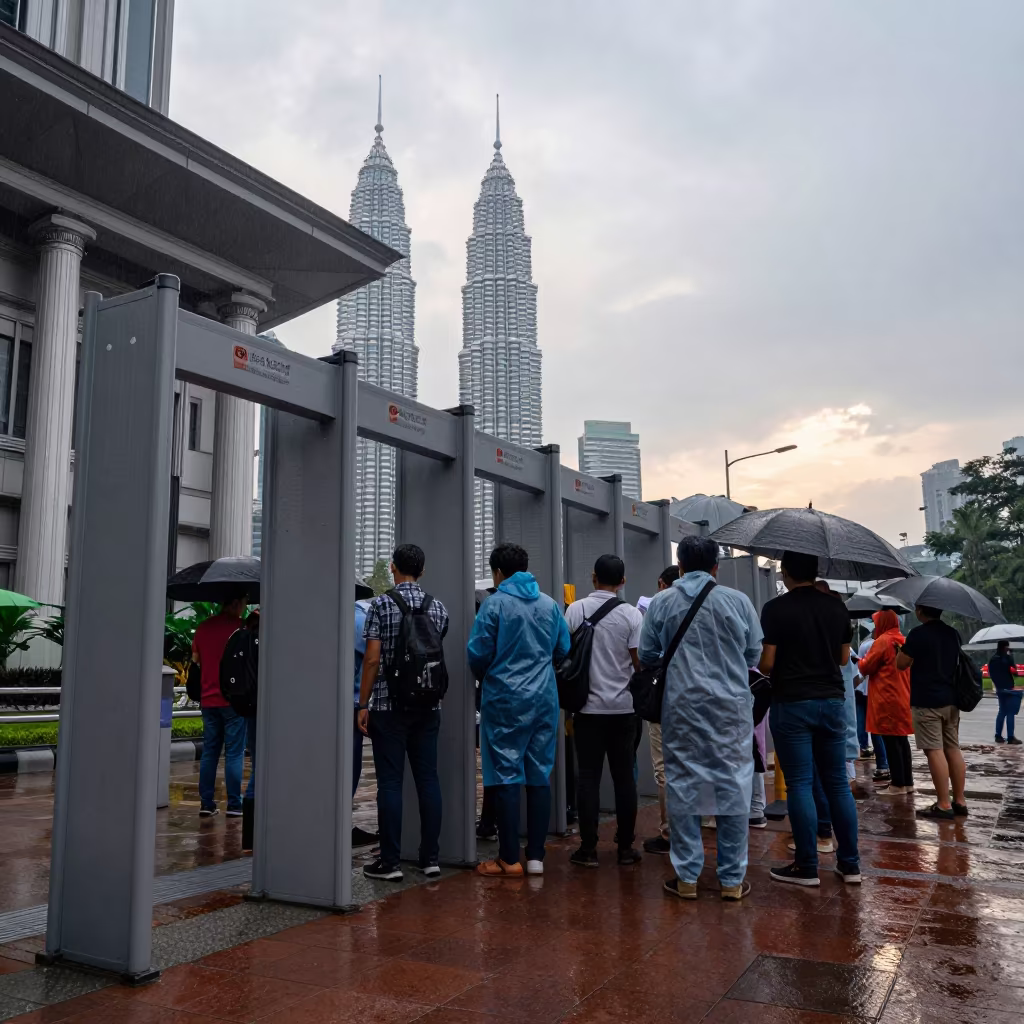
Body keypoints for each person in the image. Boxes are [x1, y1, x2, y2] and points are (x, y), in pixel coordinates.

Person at [638, 536, 762, 902]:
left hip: (682, 708)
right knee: (734, 787)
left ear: (679, 565)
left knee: (682, 786)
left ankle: (688, 877)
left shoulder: (661, 602)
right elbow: (754, 651)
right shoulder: (737, 601)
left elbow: (647, 653)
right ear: (715, 568)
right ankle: (731, 880)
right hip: (730, 711)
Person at [467, 543, 571, 877]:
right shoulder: (549, 604)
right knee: (540, 773)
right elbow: (563, 647)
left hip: (505, 700)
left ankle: (509, 858)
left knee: (507, 774)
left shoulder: (495, 604)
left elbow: (477, 653)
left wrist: (492, 675)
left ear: (497, 572)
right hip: (544, 698)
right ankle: (536, 857)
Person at [760, 550, 861, 887]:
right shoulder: (836, 607)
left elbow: (768, 664)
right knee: (836, 784)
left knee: (800, 783)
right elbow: (844, 657)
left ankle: (806, 866)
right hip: (832, 701)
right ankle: (850, 865)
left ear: (786, 573)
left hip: (792, 702)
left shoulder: (776, 609)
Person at [358, 544, 449, 881]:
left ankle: (391, 863)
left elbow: (371, 658)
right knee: (428, 779)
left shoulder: (380, 605)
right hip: (428, 705)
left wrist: (362, 703)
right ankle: (430, 859)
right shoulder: (438, 608)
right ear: (422, 571)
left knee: (390, 783)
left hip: (388, 705)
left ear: (394, 568)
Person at [564, 554, 644, 868]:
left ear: (593, 577)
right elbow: (639, 665)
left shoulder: (576, 609)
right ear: (622, 581)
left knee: (588, 778)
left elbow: (564, 653)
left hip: (586, 709)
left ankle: (588, 849)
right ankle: (625, 848)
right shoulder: (632, 616)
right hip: (624, 711)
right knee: (625, 778)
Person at [896, 605, 968, 820]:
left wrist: (901, 651)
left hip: (927, 701)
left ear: (920, 612)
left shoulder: (918, 634)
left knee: (934, 750)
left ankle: (943, 804)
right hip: (951, 699)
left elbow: (901, 664)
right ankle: (960, 801)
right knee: (953, 748)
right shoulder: (952, 633)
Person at [191, 588, 249, 818]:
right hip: (234, 700)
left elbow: (195, 660)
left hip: (208, 699)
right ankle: (234, 805)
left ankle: (207, 803)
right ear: (235, 603)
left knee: (210, 752)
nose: (245, 606)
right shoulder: (242, 628)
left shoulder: (204, 628)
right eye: (244, 601)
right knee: (234, 753)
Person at [640, 565, 679, 855]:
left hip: (667, 696)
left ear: (661, 583)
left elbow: (646, 655)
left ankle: (669, 833)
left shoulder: (658, 607)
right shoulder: (726, 602)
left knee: (665, 768)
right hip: (705, 700)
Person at [858, 611, 914, 796]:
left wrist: (859, 662)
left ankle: (897, 784)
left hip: (886, 696)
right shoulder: (902, 639)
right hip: (903, 694)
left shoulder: (882, 641)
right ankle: (907, 782)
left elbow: (867, 666)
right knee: (901, 740)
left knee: (890, 740)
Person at [352, 597, 379, 848]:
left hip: (327, 702)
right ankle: (342, 823)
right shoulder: (364, 620)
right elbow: (372, 660)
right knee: (351, 764)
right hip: (354, 703)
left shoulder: (335, 617)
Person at [856, 631, 890, 782]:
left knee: (862, 718)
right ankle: (884, 762)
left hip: (861, 686)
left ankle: (863, 747)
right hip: (876, 689)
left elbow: (860, 665)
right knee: (877, 726)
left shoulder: (865, 644)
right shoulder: (887, 643)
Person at [990, 640, 1021, 744]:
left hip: (999, 688)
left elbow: (992, 673)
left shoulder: (993, 659)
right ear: (1005, 648)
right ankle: (1011, 737)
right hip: (1008, 687)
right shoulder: (1007, 659)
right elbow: (1015, 671)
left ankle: (998, 735)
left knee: (1002, 711)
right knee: (1010, 712)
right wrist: (1010, 656)